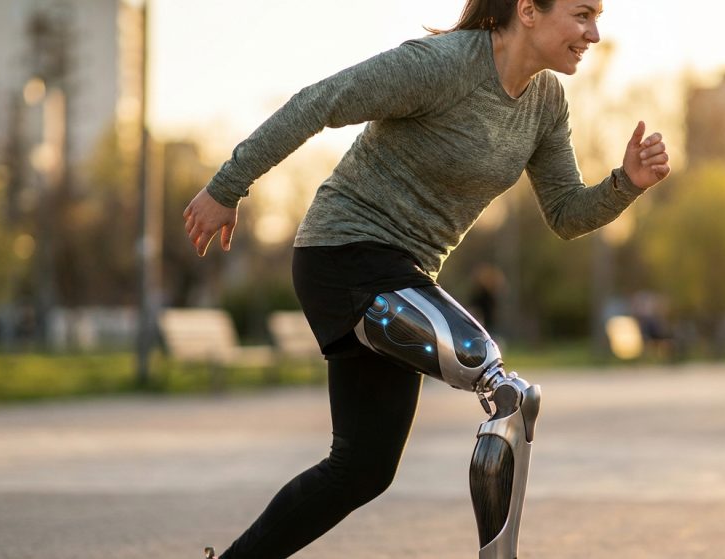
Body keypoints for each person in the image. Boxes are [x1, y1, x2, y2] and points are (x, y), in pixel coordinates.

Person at [184, 1, 670, 557]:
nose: (594, 33)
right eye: (582, 14)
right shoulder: (441, 64)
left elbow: (564, 213)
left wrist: (626, 182)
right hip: (344, 254)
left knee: (363, 469)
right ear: (528, 10)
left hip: (404, 274)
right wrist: (227, 187)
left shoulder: (546, 102)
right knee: (497, 381)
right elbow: (319, 101)